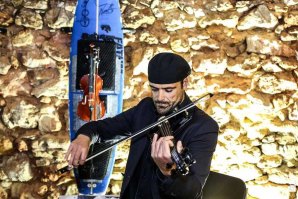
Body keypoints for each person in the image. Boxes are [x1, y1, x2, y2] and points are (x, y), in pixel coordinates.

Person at [65, 52, 219, 198]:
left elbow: (192, 192)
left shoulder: (203, 127)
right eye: (154, 89)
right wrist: (84, 137)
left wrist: (168, 170)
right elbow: (102, 129)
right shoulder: (145, 109)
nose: (160, 98)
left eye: (168, 90)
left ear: (184, 83)